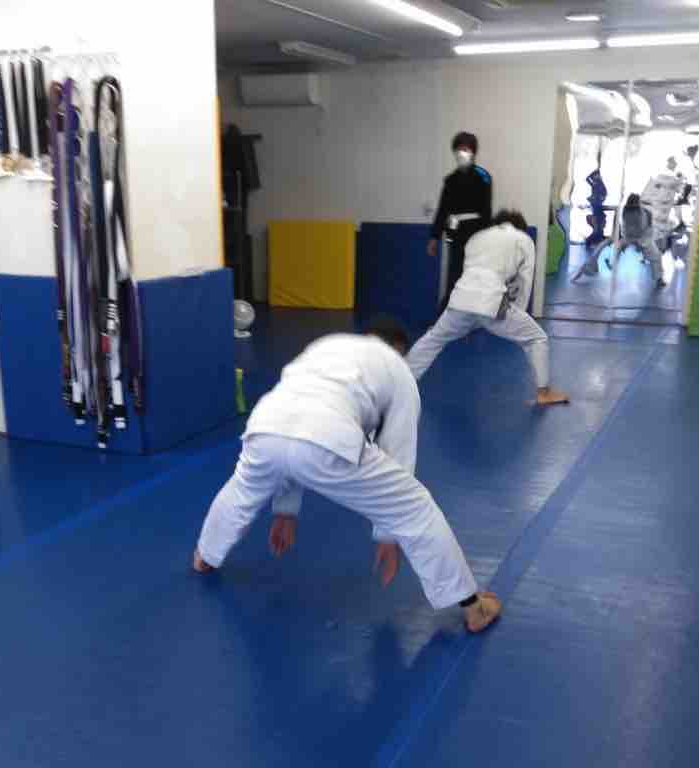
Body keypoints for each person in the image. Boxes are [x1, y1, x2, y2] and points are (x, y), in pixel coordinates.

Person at [193, 326, 503, 634]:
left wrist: (285, 511)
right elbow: (398, 451)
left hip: (265, 425)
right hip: (327, 435)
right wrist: (387, 533)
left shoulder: (327, 345)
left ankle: (206, 555)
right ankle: (473, 607)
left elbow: (295, 427)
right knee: (416, 508)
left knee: (241, 491)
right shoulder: (398, 371)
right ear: (400, 352)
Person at [407, 210, 569, 407]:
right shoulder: (523, 239)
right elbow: (524, 282)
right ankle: (543, 393)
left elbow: (470, 273)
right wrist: (519, 313)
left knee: (433, 338)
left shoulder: (476, 238)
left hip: (460, 299)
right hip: (491, 301)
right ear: (519, 227)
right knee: (537, 338)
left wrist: (468, 322)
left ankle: (402, 380)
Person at [428, 132, 492, 313]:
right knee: (454, 275)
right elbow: (443, 210)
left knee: (475, 276)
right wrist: (434, 237)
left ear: (473, 152)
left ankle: (474, 314)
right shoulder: (450, 180)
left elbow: (486, 210)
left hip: (476, 233)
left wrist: (487, 237)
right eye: (459, 149)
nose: (462, 153)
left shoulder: (483, 177)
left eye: (466, 149)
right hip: (455, 234)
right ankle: (447, 314)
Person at [575, 193, 664, 287]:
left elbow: (649, 230)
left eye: (634, 205)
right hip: (628, 237)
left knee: (655, 255)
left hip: (643, 237)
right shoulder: (625, 212)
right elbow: (622, 228)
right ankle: (607, 265)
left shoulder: (647, 213)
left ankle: (659, 278)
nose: (632, 207)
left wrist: (641, 243)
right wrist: (622, 239)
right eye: (631, 205)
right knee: (613, 247)